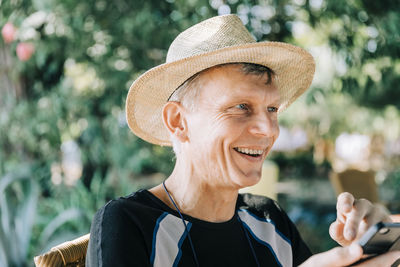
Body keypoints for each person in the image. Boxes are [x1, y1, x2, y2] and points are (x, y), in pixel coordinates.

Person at [86, 14, 400, 267]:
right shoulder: (129, 223)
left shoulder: (269, 220)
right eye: (241, 107)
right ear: (178, 121)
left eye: (272, 109)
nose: (268, 129)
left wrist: (370, 249)